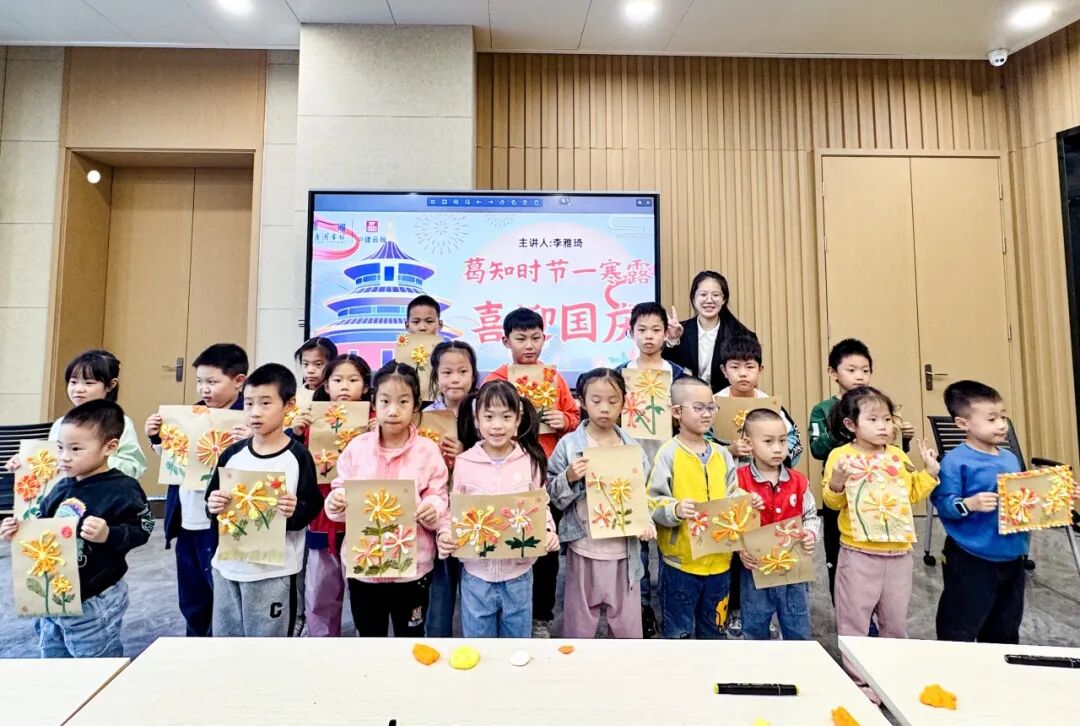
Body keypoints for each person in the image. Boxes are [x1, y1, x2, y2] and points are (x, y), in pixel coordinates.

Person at [1, 399, 154, 657]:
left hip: (95, 597)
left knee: (95, 661)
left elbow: (144, 527)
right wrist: (18, 530)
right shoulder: (61, 486)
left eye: (75, 449)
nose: (64, 457)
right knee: (54, 658)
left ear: (110, 447)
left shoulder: (122, 488)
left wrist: (109, 534)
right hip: (54, 593)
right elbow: (41, 521)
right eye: (60, 447)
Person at [823, 386, 939, 701]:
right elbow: (832, 502)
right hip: (859, 553)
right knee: (854, 622)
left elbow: (910, 495)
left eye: (887, 419)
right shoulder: (841, 457)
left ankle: (891, 678)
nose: (883, 426)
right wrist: (837, 481)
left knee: (895, 622)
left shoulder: (897, 456)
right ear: (851, 425)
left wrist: (929, 473)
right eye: (873, 420)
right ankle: (860, 683)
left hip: (899, 553)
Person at [324, 362, 449, 637]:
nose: (393, 410)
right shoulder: (357, 448)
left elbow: (437, 494)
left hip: (413, 568)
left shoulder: (428, 451)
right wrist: (336, 502)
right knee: (370, 636)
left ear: (416, 405)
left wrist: (432, 508)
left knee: (411, 635)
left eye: (403, 402)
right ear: (374, 403)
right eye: (385, 401)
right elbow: (341, 488)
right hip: (365, 568)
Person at [205, 363, 323, 637]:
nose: (255, 412)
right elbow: (213, 501)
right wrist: (213, 506)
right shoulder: (232, 454)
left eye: (265, 403)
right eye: (249, 404)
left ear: (289, 405)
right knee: (227, 640)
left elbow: (311, 505)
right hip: (228, 567)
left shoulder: (297, 457)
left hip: (274, 573)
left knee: (269, 644)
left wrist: (295, 511)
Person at [484, 307, 581, 638]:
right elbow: (484, 420)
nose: (529, 345)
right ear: (505, 341)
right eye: (521, 338)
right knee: (506, 542)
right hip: (506, 472)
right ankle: (502, 612)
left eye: (536, 338)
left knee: (545, 548)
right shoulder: (496, 379)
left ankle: (540, 616)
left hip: (547, 472)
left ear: (544, 339)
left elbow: (574, 417)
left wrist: (563, 419)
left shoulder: (554, 377)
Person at [435, 380, 558, 637]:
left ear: (518, 420)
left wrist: (548, 531)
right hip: (476, 576)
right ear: (477, 420)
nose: (497, 425)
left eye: (506, 417)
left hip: (519, 574)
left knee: (517, 642)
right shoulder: (464, 463)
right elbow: (452, 510)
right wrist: (445, 534)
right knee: (479, 642)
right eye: (489, 417)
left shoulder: (531, 461)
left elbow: (541, 505)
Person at [144, 342, 248, 638]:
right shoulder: (190, 415)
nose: (204, 389)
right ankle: (196, 639)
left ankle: (224, 642)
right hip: (187, 516)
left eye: (212, 382)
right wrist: (157, 438)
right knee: (192, 593)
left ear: (239, 381)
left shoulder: (247, 417)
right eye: (200, 381)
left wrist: (250, 439)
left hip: (222, 521)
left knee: (222, 591)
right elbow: (174, 461)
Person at [548, 368, 656, 638]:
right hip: (584, 545)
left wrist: (646, 522)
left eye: (612, 401)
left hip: (624, 549)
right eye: (596, 401)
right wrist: (569, 477)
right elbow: (551, 494)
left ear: (624, 403)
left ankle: (625, 662)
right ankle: (580, 661)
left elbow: (645, 494)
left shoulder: (633, 448)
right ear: (582, 402)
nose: (604, 408)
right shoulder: (570, 445)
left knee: (627, 624)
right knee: (579, 621)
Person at [932, 381, 1042, 643]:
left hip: (1012, 555)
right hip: (971, 557)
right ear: (963, 424)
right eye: (992, 419)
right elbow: (943, 503)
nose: (1002, 424)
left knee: (1005, 627)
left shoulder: (1009, 458)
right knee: (960, 624)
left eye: (1003, 416)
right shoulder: (955, 461)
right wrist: (969, 504)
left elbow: (1023, 500)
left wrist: (1055, 497)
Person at [808, 339, 914, 598]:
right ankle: (845, 607)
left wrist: (904, 436)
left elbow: (893, 453)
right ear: (833, 373)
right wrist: (845, 430)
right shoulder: (823, 409)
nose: (859, 376)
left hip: (879, 492)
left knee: (877, 546)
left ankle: (878, 604)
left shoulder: (878, 405)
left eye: (865, 370)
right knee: (838, 550)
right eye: (851, 370)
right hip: (841, 488)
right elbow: (817, 449)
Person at [712, 334, 802, 637]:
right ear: (724, 370)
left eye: (749, 367)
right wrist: (729, 450)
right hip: (729, 488)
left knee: (761, 548)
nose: (743, 374)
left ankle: (764, 612)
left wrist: (775, 453)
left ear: (760, 369)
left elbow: (794, 441)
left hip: (766, 488)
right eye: (735, 367)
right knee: (732, 550)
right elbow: (703, 443)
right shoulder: (714, 404)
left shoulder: (771, 406)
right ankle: (732, 610)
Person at [647, 376, 739, 639]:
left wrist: (746, 500)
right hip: (681, 563)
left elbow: (732, 492)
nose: (707, 413)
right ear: (677, 412)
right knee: (679, 632)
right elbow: (652, 500)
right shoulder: (668, 453)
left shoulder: (722, 454)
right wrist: (674, 509)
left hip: (720, 561)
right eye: (698, 408)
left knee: (715, 631)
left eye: (711, 407)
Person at [615, 301, 684, 637]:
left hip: (670, 464)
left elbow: (692, 414)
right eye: (642, 330)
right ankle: (641, 607)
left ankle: (672, 606)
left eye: (656, 329)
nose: (649, 336)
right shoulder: (620, 373)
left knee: (671, 536)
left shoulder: (678, 374)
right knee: (636, 542)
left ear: (666, 333)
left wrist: (676, 415)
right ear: (631, 332)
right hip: (631, 465)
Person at [304, 353, 371, 637]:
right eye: (338, 380)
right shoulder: (311, 420)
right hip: (322, 518)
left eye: (353, 380)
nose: (345, 386)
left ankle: (364, 640)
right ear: (326, 385)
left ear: (365, 386)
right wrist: (297, 432)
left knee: (364, 594)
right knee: (321, 591)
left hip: (363, 519)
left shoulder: (377, 421)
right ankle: (322, 644)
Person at [737, 409, 819, 640]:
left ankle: (797, 663)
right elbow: (731, 522)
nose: (777, 448)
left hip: (794, 571)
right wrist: (740, 550)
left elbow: (811, 515)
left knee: (798, 627)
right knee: (754, 628)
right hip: (755, 571)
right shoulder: (738, 480)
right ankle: (760, 664)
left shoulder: (799, 481)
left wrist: (810, 534)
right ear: (749, 444)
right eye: (768, 441)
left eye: (782, 441)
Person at [5, 350, 147, 481]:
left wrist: (93, 461)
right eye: (73, 382)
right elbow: (52, 462)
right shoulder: (61, 424)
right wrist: (27, 461)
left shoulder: (120, 423)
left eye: (88, 383)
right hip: (66, 494)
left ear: (110, 385)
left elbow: (134, 467)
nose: (78, 389)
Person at [423, 340, 478, 637]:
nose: (454, 379)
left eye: (462, 371)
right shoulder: (425, 415)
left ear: (473, 374)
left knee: (477, 585)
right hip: (438, 510)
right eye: (446, 373)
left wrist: (465, 453)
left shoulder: (484, 413)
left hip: (475, 509)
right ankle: (437, 641)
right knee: (440, 585)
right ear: (436, 376)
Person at [662, 270, 756, 393]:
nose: (709, 300)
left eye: (715, 295)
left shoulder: (742, 335)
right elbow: (668, 372)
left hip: (725, 400)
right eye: (703, 294)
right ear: (693, 298)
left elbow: (748, 377)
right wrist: (672, 342)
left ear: (724, 299)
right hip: (686, 400)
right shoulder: (679, 331)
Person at [289, 337, 339, 436]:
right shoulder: (294, 397)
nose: (310, 370)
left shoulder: (340, 394)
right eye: (305, 364)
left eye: (318, 364)